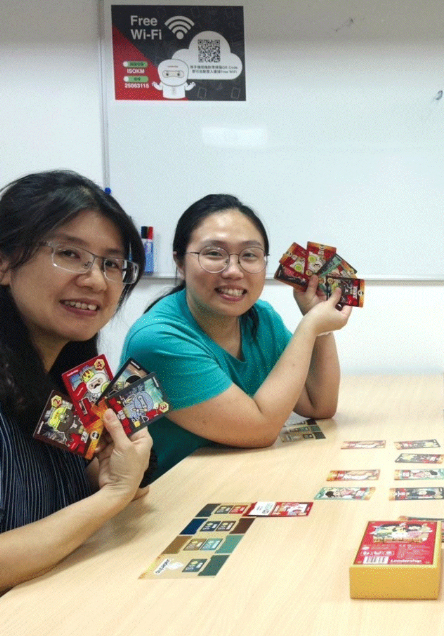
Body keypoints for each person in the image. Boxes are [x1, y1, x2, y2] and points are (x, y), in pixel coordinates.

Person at [121, 194, 352, 479]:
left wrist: (320, 325)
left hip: (239, 479)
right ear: (179, 261)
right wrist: (309, 326)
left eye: (249, 255)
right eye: (214, 254)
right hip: (172, 495)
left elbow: (319, 405)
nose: (233, 271)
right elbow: (261, 430)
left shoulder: (261, 318)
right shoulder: (156, 340)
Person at [0, 170, 153, 593]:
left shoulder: (69, 380)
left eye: (111, 264)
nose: (96, 280)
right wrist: (112, 495)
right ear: (5, 262)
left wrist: (107, 472)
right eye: (69, 253)